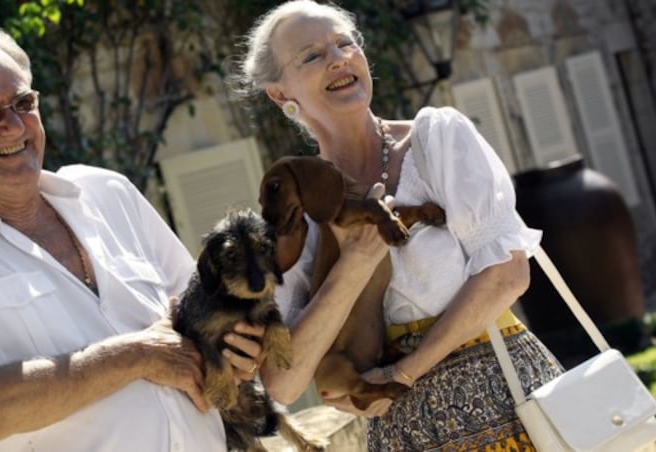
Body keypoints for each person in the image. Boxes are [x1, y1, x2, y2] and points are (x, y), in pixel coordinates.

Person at [0, 23, 266, 451]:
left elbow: (207, 313)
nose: (12, 126)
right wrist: (136, 355)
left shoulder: (108, 192)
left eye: (23, 103)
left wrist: (235, 347)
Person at [231, 1, 564, 450]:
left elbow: (507, 274)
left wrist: (403, 374)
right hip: (399, 433)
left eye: (345, 43)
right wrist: (357, 260)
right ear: (280, 94)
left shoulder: (438, 139)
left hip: (508, 398)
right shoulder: (296, 217)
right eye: (311, 55)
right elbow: (285, 383)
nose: (338, 58)